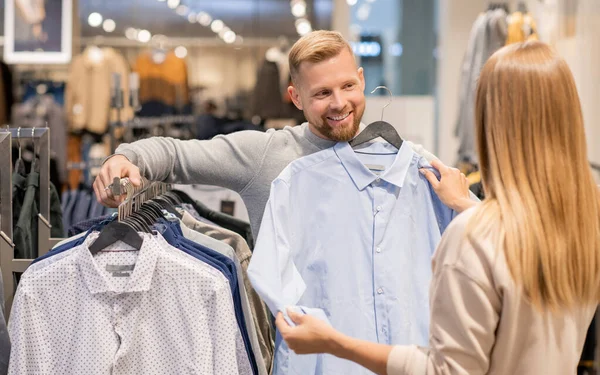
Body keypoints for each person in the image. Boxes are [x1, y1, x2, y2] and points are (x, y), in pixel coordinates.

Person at [274, 41, 600, 375]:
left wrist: (336, 343)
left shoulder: (472, 237)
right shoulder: (584, 224)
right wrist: (469, 207)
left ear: (494, 123)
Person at [94, 30, 476, 236]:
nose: (339, 103)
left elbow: (488, 233)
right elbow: (175, 155)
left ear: (362, 81)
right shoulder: (265, 155)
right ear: (295, 97)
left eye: (347, 86)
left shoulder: (410, 163)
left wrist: (467, 205)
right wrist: (123, 158)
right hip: (293, 361)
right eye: (322, 93)